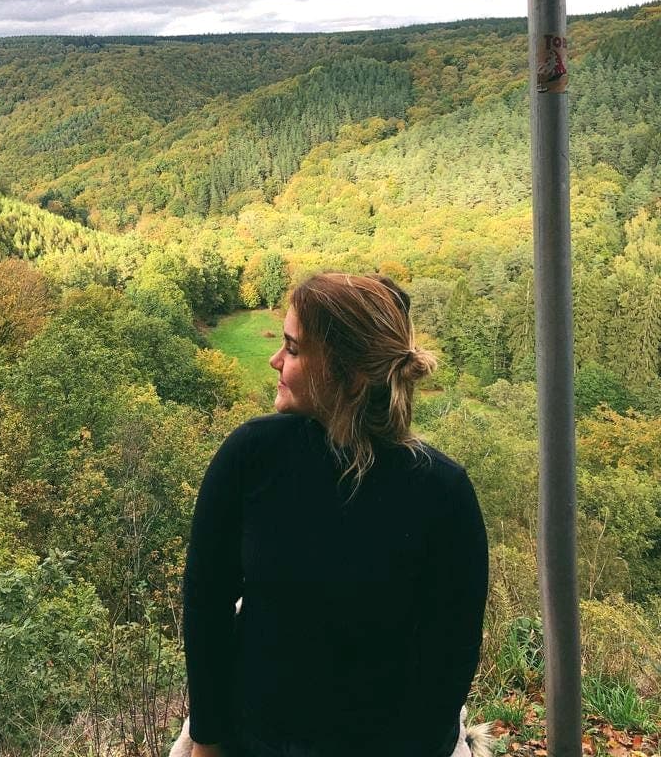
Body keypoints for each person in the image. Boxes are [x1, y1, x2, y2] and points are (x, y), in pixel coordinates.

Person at [182, 273, 488, 757]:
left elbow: (446, 663)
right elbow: (206, 602)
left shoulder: (444, 495)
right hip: (249, 740)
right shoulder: (250, 456)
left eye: (294, 349)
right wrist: (208, 738)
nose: (275, 359)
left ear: (349, 375)